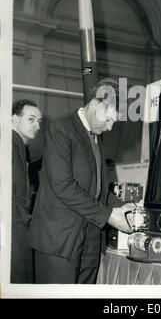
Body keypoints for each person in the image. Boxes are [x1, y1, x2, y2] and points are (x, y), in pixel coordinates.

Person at [28, 79, 134, 284]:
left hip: (90, 242)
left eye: (114, 122)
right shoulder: (60, 129)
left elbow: (97, 189)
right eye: (109, 120)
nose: (111, 127)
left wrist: (123, 207)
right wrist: (109, 215)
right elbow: (63, 186)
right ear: (94, 105)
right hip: (60, 242)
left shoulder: (95, 137)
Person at [11, 99, 42, 283]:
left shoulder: (19, 147)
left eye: (39, 121)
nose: (37, 125)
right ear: (14, 119)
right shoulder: (10, 145)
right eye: (31, 119)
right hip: (14, 227)